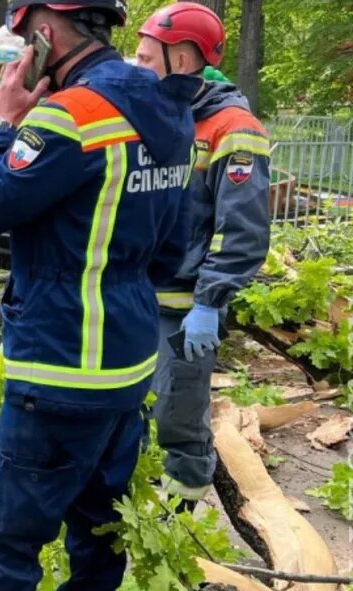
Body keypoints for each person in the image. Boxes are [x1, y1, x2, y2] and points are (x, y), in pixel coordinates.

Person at [0, 1, 199, 591]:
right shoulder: (170, 111)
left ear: (44, 33)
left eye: (24, 39)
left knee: (8, 538)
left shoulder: (68, 116)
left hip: (59, 366)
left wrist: (4, 123)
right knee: (100, 534)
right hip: (128, 365)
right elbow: (170, 247)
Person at [134, 2, 272, 512]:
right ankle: (131, 516)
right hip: (135, 298)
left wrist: (210, 302)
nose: (137, 67)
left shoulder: (234, 128)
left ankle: (178, 528)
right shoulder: (159, 117)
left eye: (146, 58)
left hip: (187, 309)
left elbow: (242, 231)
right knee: (130, 413)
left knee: (178, 419)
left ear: (183, 60)